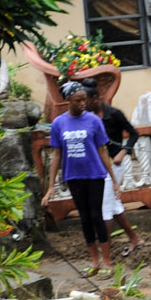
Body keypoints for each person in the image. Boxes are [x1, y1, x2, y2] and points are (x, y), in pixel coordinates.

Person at [45, 83, 122, 276]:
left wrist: (113, 178)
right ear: (68, 101)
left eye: (84, 100)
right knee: (85, 219)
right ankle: (94, 261)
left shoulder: (94, 121)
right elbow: (56, 155)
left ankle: (107, 261)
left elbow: (102, 151)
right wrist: (51, 186)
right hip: (73, 176)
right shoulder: (58, 124)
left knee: (97, 216)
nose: (82, 104)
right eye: (77, 100)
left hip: (94, 175)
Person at [95, 95, 144, 255]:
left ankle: (105, 255)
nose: (82, 103)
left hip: (114, 166)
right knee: (114, 206)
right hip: (98, 167)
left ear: (95, 98)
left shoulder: (113, 114)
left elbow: (134, 134)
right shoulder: (87, 117)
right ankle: (135, 239)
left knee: (104, 209)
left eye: (85, 99)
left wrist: (123, 152)